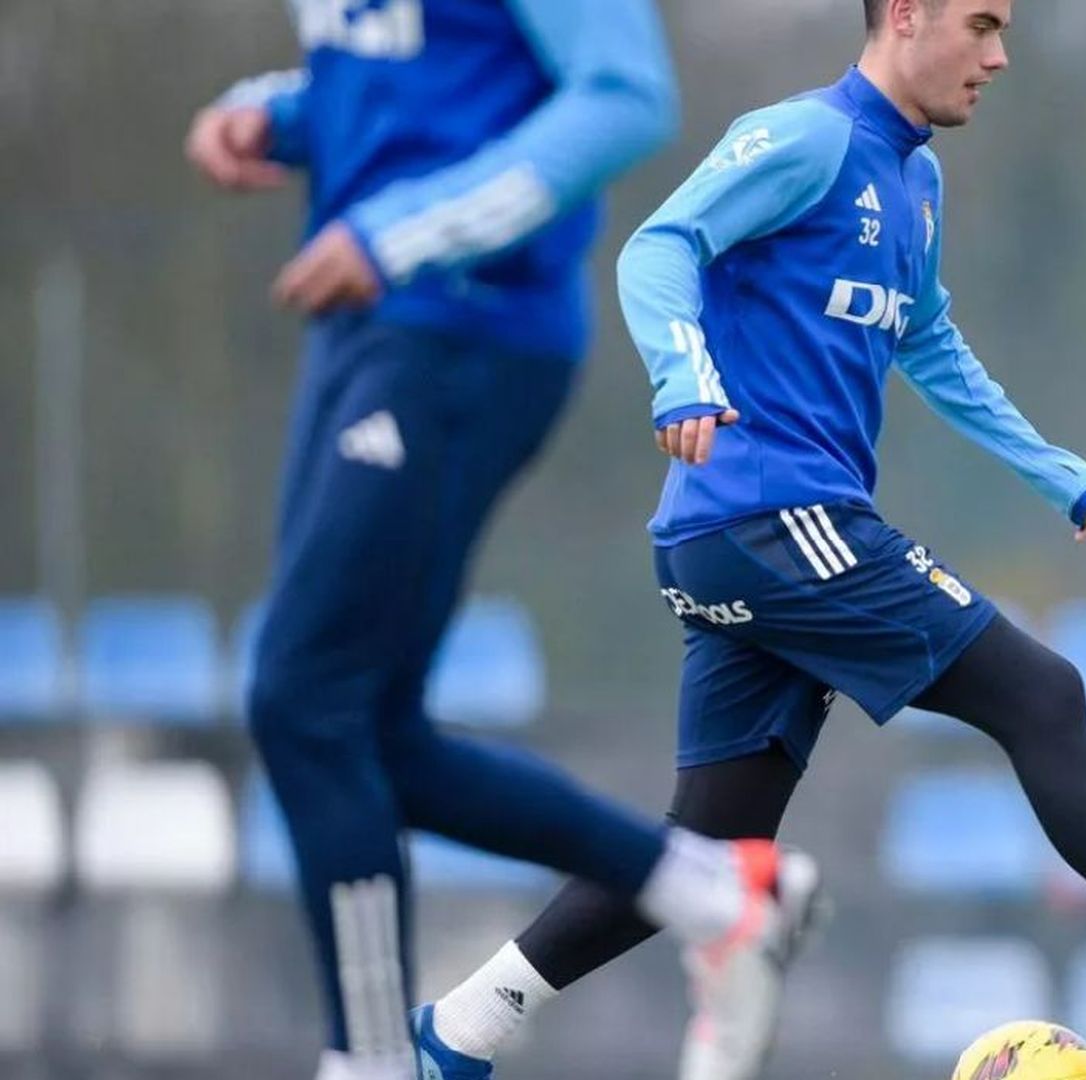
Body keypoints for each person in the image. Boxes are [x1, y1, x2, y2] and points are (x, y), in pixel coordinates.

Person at [416, 1, 1086, 1076]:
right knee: (1043, 695)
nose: (999, 54)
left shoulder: (917, 182)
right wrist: (682, 374)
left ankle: (459, 1032)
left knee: (708, 850)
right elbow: (660, 246)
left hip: (748, 541)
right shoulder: (805, 138)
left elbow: (931, 344)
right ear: (908, 15)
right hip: (774, 520)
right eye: (979, 24)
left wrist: (1051, 467)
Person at [184, 3, 820, 1078]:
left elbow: (626, 98)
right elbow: (412, 78)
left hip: (465, 327)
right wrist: (275, 117)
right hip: (369, 327)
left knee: (304, 700)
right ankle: (722, 896)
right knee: (375, 737)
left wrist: (403, 232)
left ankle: (372, 1061)